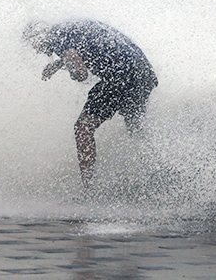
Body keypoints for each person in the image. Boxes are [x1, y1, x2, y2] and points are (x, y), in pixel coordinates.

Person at [24, 19, 157, 188]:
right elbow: (90, 47)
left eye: (34, 45)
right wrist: (59, 64)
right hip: (143, 72)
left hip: (121, 76)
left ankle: (89, 188)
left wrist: (72, 70)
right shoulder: (71, 27)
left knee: (83, 128)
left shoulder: (56, 38)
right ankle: (152, 172)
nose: (37, 51)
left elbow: (81, 74)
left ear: (39, 36)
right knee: (134, 128)